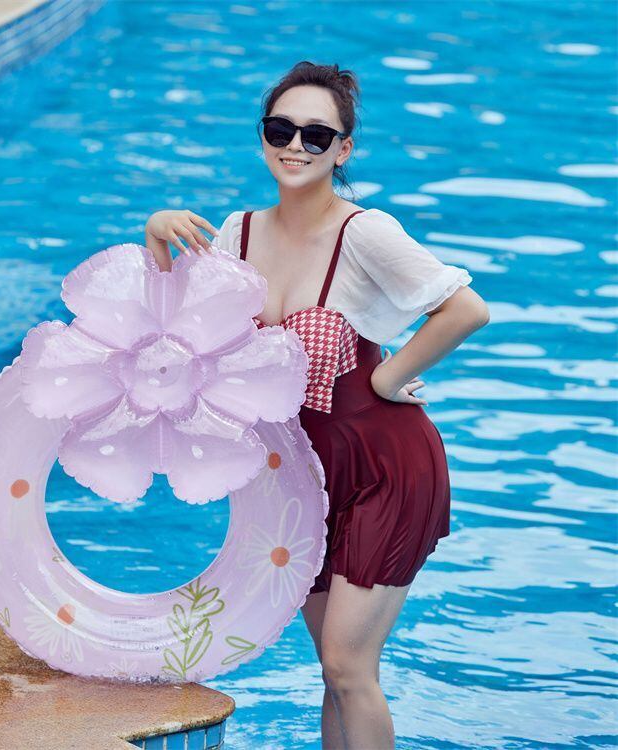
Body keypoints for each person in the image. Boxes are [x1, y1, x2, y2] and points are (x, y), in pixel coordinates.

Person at [145, 61, 489, 750]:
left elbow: (466, 309)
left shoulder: (365, 232)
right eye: (281, 129)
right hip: (303, 480)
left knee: (347, 666)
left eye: (317, 134)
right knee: (334, 673)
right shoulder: (237, 234)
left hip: (387, 467)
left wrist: (388, 378)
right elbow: (172, 335)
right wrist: (157, 238)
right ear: (263, 138)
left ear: (343, 149)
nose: (296, 145)